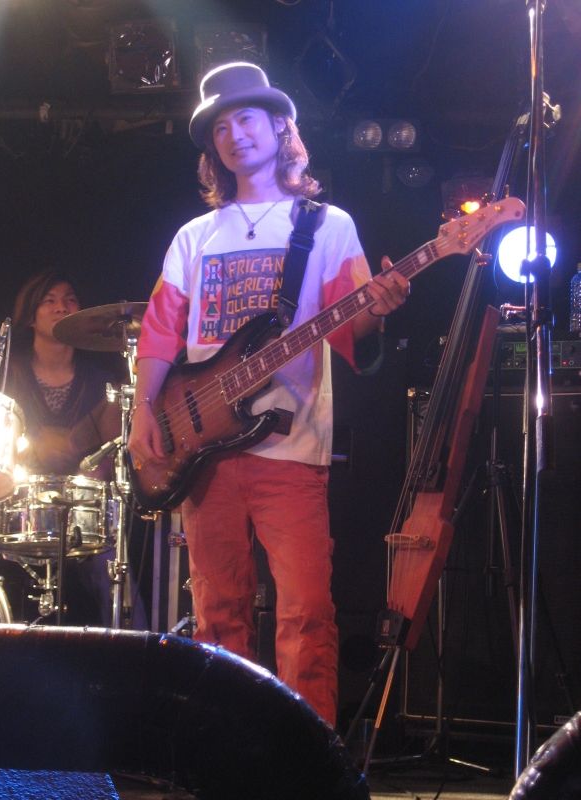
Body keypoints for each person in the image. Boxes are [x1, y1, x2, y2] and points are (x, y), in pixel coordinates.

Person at [127, 61, 409, 726]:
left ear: (280, 126)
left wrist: (378, 309)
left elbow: (350, 331)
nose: (234, 135)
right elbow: (161, 330)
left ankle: (308, 760)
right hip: (203, 449)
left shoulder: (327, 225)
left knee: (306, 611)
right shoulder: (195, 236)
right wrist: (143, 411)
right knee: (217, 613)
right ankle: (227, 753)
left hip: (292, 447)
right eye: (220, 128)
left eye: (246, 118)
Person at [2, 269, 145, 628]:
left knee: (115, 574)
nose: (61, 307)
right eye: (49, 300)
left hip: (83, 512)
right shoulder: (8, 375)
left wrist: (92, 467)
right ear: (31, 316)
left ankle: (131, 650)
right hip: (16, 507)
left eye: (69, 299)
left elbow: (113, 452)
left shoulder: (101, 382)